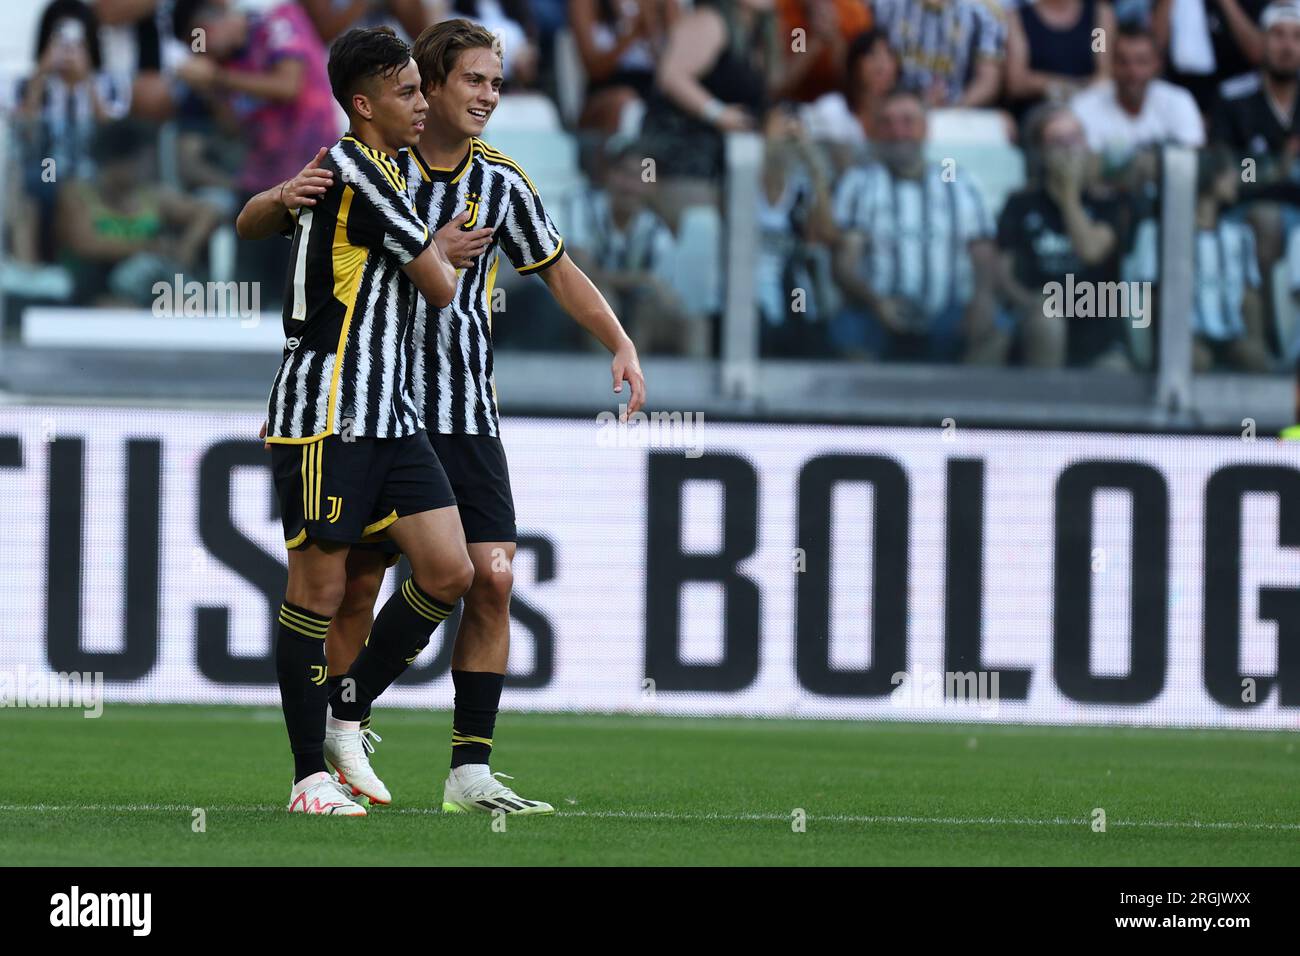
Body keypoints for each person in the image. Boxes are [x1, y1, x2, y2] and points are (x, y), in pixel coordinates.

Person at [273, 18, 648, 816]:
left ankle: (460, 766)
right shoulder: (374, 163)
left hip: (466, 409)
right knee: (355, 585)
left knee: (492, 578)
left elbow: (558, 269)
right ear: (430, 85)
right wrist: (425, 249)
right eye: (473, 80)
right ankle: (324, 758)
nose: (488, 96)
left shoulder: (502, 182)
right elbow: (299, 228)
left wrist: (618, 339)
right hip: (376, 403)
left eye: (498, 83)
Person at [234, 26, 465, 816]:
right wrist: (442, 249)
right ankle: (307, 778)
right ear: (363, 105)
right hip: (327, 406)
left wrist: (270, 200)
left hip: (389, 411)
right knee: (321, 587)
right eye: (407, 91)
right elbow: (437, 287)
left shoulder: (358, 168)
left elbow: (252, 224)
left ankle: (347, 711)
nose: (423, 100)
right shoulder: (362, 177)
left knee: (448, 569)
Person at [830, 89, 1000, 362]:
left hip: (949, 314)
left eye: (908, 121)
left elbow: (983, 251)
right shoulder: (858, 182)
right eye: (887, 123)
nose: (898, 132)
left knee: (997, 328)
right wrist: (876, 302)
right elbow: (844, 263)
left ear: (926, 129)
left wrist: (983, 299)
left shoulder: (958, 180)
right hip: (877, 311)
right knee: (846, 330)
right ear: (876, 132)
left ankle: (967, 403)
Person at [996, 104, 1134, 367]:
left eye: (1076, 138)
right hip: (1038, 323)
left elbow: (1091, 251)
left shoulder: (1111, 202)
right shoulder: (1019, 203)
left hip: (1098, 323)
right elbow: (1003, 274)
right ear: (1040, 152)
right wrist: (1030, 303)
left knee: (1115, 371)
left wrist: (1069, 196)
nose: (1070, 148)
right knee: (1048, 319)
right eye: (1058, 142)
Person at [56, 120, 221, 305]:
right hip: (94, 282)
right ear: (116, 162)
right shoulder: (78, 194)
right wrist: (147, 247)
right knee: (120, 310)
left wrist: (188, 245)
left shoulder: (154, 196)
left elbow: (208, 211)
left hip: (148, 280)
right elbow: (85, 244)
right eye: (140, 160)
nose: (145, 167)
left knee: (188, 304)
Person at [1068, 24, 1205, 156]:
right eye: (1123, 62)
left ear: (1157, 65)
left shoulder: (1179, 101)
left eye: (1141, 61)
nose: (1132, 71)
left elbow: (1193, 157)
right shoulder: (1084, 104)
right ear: (1111, 64)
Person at [868, 0, 1007, 108]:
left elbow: (988, 81)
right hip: (891, 108)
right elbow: (867, 65)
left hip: (955, 113)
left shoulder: (983, 13)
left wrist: (955, 110)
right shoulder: (884, 6)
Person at [570, 0, 679, 132]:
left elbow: (679, 63)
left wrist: (651, 28)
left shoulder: (665, 4)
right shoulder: (586, 3)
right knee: (624, 102)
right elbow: (594, 69)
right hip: (606, 91)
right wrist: (632, 34)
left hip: (654, 88)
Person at [1005, 0, 1116, 118]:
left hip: (1089, 111)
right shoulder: (1018, 18)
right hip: (1039, 113)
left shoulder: (1098, 16)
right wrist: (1071, 88)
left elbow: (1103, 73)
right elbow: (1017, 82)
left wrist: (1055, 87)